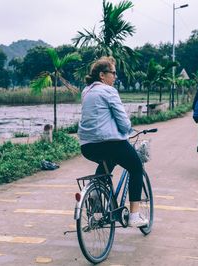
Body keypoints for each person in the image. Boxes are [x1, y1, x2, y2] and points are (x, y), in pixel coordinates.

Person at [78, 56, 148, 227]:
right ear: (102, 75)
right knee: (136, 167)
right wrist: (128, 131)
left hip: (87, 146)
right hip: (110, 143)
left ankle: (95, 192)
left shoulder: (86, 91)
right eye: (113, 73)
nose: (115, 76)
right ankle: (134, 216)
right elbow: (123, 122)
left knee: (108, 162)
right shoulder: (109, 91)